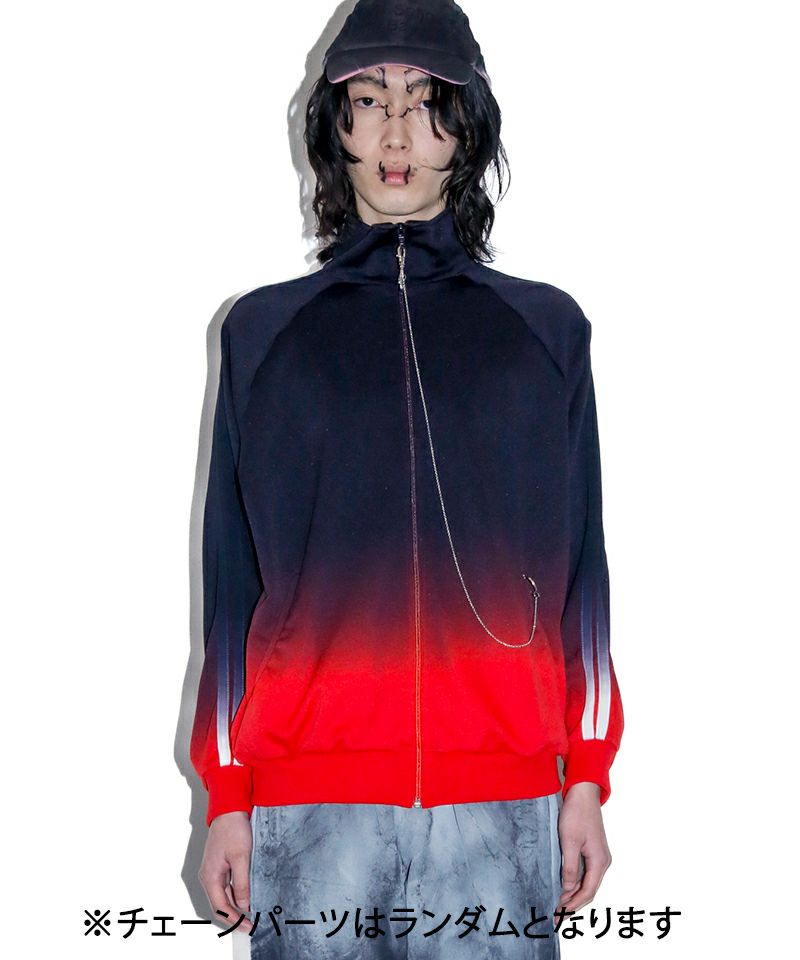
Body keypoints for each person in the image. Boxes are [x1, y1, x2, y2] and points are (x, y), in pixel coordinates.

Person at [190, 1, 624, 957]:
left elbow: (583, 570)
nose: (396, 134)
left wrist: (587, 773)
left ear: (467, 130)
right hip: (311, 809)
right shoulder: (265, 335)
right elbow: (232, 583)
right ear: (333, 124)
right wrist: (228, 793)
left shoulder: (545, 334)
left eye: (428, 102)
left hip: (503, 806)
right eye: (369, 99)